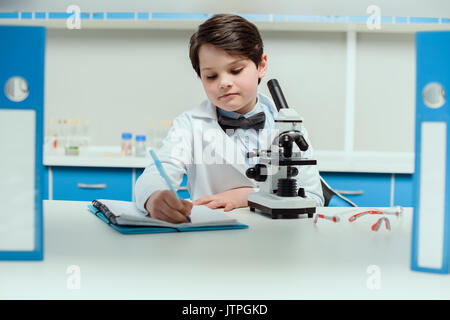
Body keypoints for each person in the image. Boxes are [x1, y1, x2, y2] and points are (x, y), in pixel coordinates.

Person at [135, 13, 324, 223]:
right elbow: (156, 173)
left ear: (261, 65)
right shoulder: (189, 125)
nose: (224, 82)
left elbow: (314, 198)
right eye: (211, 76)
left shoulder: (289, 127)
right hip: (212, 237)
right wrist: (153, 197)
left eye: (235, 70)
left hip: (277, 239)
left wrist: (247, 196)